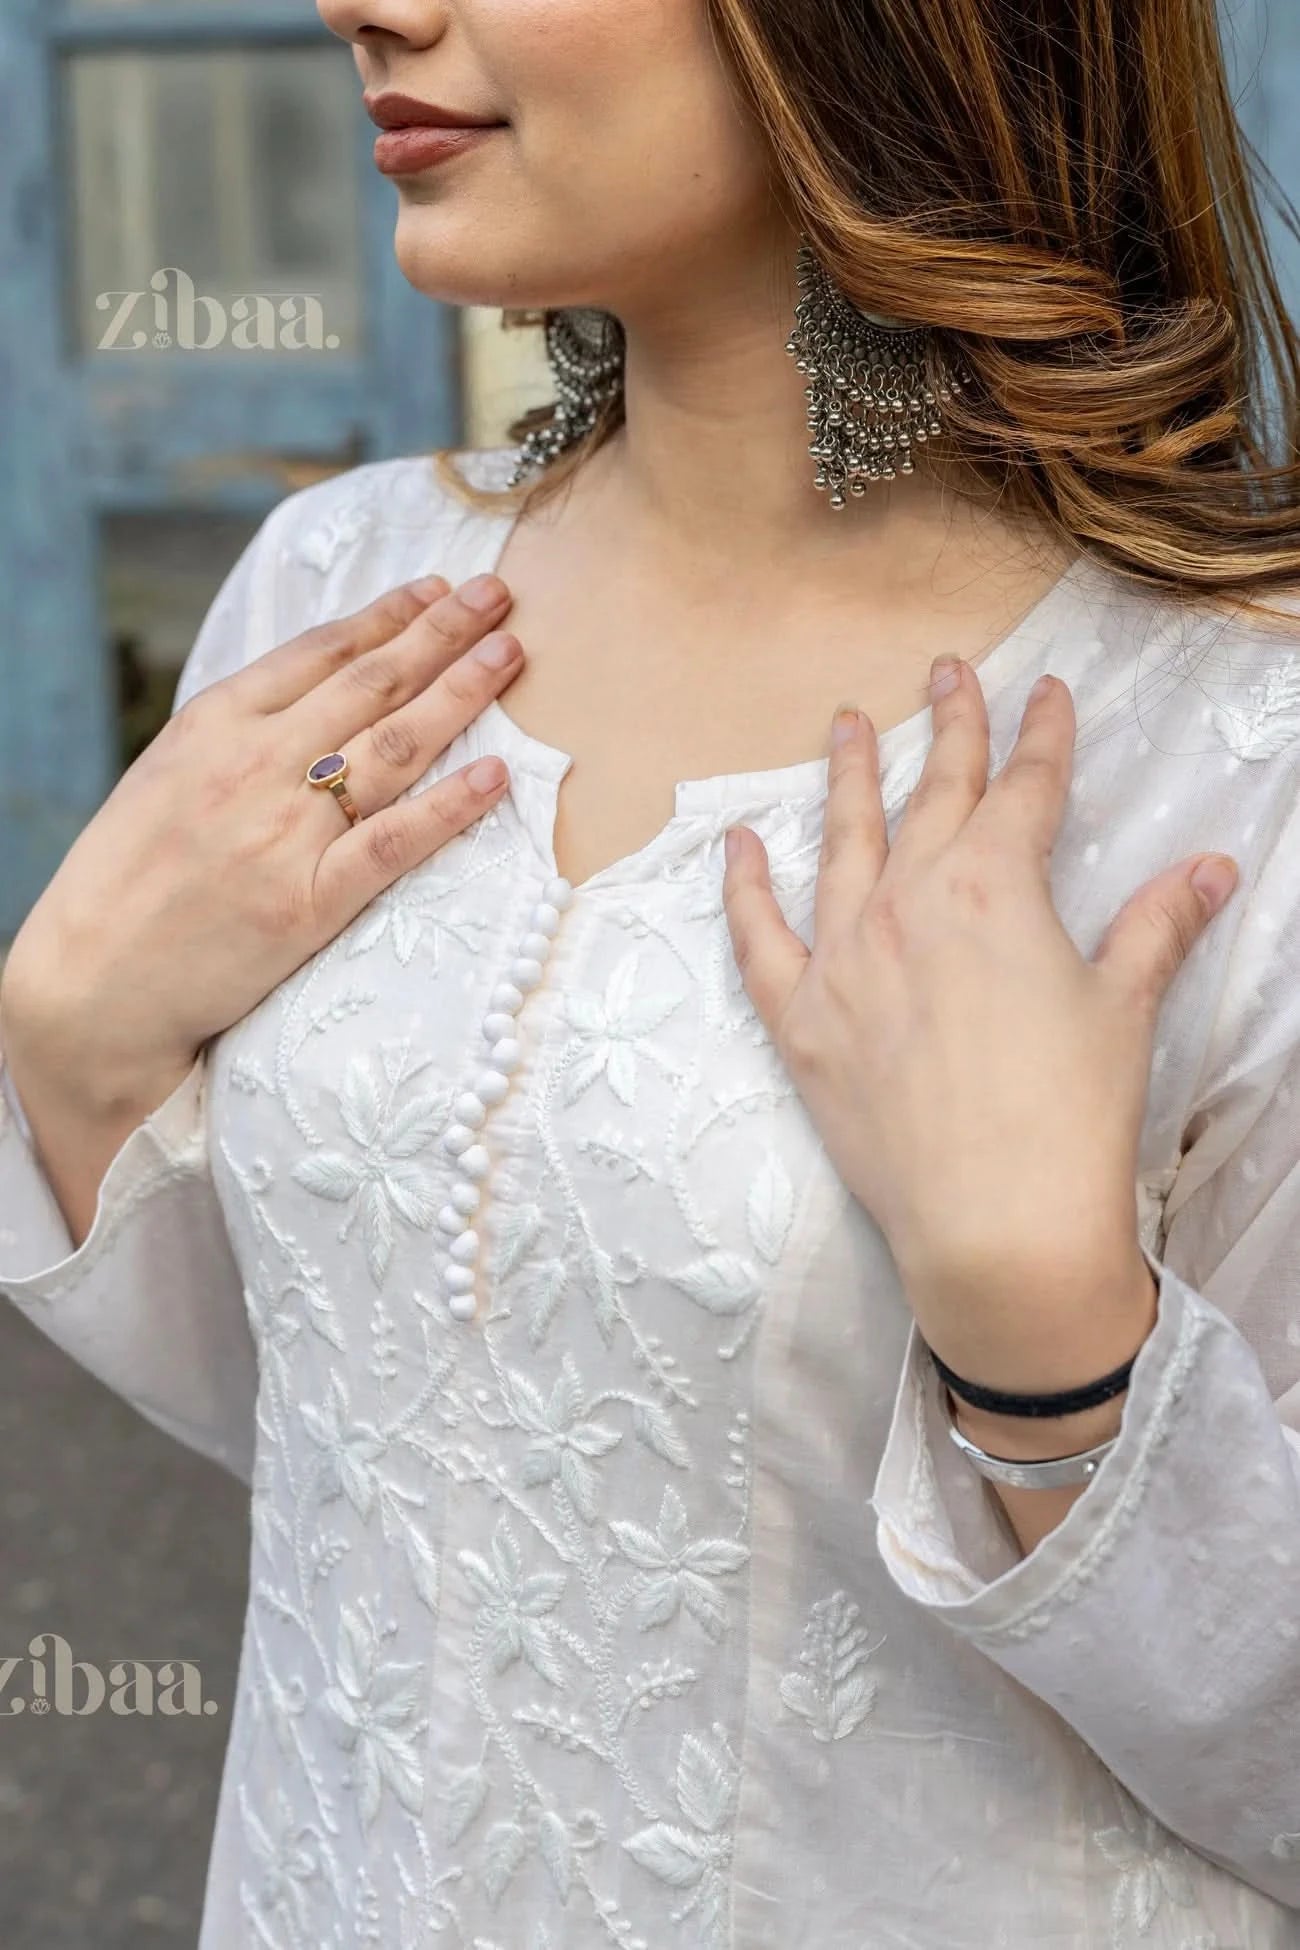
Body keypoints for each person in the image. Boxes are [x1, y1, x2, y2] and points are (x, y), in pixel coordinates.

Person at [2, 0, 1300, 1942]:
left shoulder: (1230, 751)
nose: (367, 5)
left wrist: (1052, 1348)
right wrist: (74, 1052)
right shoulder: (337, 602)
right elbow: (368, 1438)